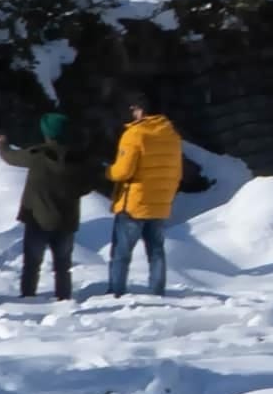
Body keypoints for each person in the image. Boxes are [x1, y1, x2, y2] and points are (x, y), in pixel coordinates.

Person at [103, 103, 186, 297]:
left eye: (134, 109)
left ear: (142, 111)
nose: (132, 112)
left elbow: (123, 171)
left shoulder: (134, 134)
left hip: (134, 203)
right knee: (156, 251)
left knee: (121, 252)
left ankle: (116, 291)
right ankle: (157, 291)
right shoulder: (172, 135)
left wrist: (107, 171)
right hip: (159, 204)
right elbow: (177, 173)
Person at [12, 114, 90, 304]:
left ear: (46, 133)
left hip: (37, 220)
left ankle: (28, 297)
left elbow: (11, 157)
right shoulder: (78, 159)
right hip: (66, 222)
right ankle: (64, 298)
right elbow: (89, 183)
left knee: (31, 264)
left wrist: (2, 146)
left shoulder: (37, 156)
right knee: (63, 266)